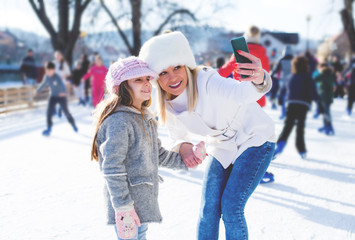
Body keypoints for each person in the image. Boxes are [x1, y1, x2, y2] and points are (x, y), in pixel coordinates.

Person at [139, 31, 276, 240]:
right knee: (208, 209)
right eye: (163, 72)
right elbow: (178, 135)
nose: (173, 77)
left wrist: (260, 78)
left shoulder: (206, 80)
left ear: (186, 65)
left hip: (254, 137)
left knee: (231, 207)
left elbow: (242, 94)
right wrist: (186, 150)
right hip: (222, 145)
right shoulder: (167, 102)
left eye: (177, 67)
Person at [90, 56, 202, 240]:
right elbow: (111, 167)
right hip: (126, 206)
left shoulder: (144, 118)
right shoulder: (119, 121)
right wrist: (123, 207)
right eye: (138, 80)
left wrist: (186, 161)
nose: (147, 84)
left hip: (141, 202)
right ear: (120, 87)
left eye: (148, 79)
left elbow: (157, 155)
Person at [218, 25, 274, 184]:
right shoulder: (263, 53)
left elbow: (226, 69)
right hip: (256, 98)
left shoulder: (241, 50)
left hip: (240, 96)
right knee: (254, 136)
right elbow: (266, 75)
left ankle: (240, 171)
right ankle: (258, 170)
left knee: (238, 136)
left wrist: (211, 77)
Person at [273, 56, 318, 159]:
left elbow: (283, 89)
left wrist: (280, 99)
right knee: (300, 128)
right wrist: (317, 100)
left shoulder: (290, 77)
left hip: (291, 103)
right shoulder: (308, 77)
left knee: (288, 126)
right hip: (303, 105)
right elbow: (312, 92)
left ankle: (280, 145)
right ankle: (301, 150)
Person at [218, 25, 270, 107]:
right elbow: (266, 77)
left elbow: (223, 72)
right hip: (258, 98)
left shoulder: (240, 52)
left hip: (241, 96)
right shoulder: (264, 56)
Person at [35, 62, 78, 136]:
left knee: (66, 112)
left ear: (54, 70)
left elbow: (62, 84)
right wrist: (37, 90)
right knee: (49, 112)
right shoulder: (47, 77)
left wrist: (63, 92)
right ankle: (49, 128)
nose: (48, 72)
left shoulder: (57, 77)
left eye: (50, 71)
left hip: (61, 96)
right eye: (47, 71)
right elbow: (43, 84)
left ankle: (73, 124)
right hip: (53, 96)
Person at [271, 45, 294, 119]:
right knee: (291, 97)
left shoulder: (281, 60)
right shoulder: (294, 60)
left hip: (283, 80)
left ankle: (283, 113)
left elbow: (275, 70)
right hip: (293, 80)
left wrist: (270, 76)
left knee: (283, 96)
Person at [314, 62, 336, 135]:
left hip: (324, 96)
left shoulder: (323, 74)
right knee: (326, 111)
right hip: (329, 96)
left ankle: (329, 126)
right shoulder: (330, 74)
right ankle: (326, 125)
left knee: (326, 112)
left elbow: (314, 79)